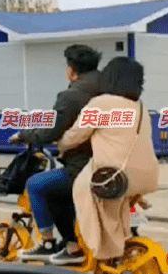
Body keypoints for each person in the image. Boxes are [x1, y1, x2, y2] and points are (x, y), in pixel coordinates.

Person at [57, 57, 159, 261]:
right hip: (146, 175)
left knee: (82, 190)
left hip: (115, 174)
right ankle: (119, 243)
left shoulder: (101, 103)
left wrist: (60, 144)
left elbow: (76, 135)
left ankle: (86, 248)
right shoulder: (140, 107)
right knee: (112, 207)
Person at [12, 44, 102, 263]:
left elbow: (52, 130)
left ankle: (50, 243)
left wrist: (24, 135)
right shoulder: (109, 90)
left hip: (82, 168)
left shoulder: (71, 96)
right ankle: (71, 241)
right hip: (111, 164)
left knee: (37, 185)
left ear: (72, 70)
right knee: (60, 191)